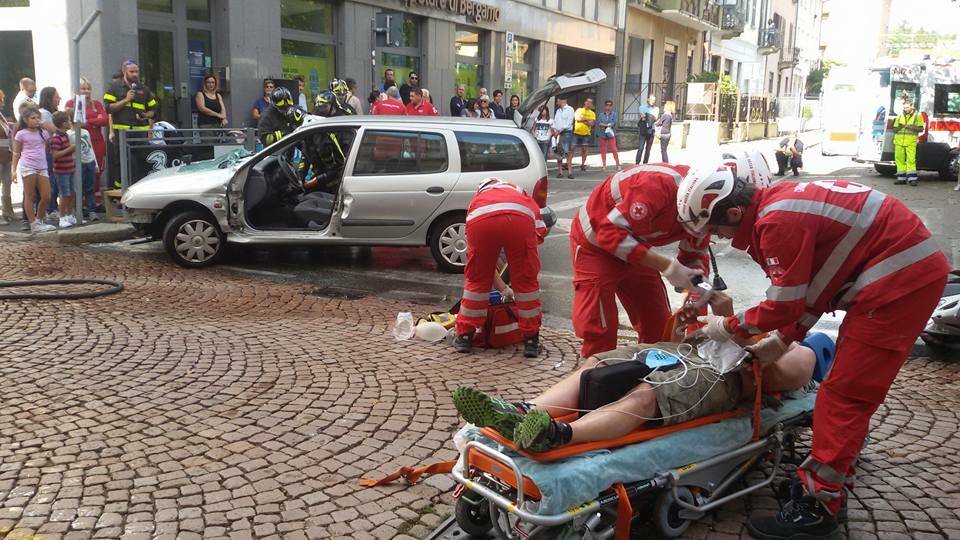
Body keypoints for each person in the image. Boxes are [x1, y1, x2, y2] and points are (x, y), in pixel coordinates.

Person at [677, 168, 950, 540]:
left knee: (843, 396)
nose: (718, 238)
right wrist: (780, 342)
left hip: (897, 284)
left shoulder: (778, 221)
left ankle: (819, 507)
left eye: (715, 228)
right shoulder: (782, 206)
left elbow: (786, 305)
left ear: (734, 213)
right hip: (896, 275)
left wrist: (727, 328)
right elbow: (815, 290)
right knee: (844, 392)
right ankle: (830, 477)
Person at [451, 291, 818, 451]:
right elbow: (681, 341)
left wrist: (741, 331)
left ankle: (559, 435)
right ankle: (523, 411)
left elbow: (769, 374)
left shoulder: (804, 352)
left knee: (650, 394)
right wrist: (694, 323)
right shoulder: (765, 320)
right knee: (600, 364)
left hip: (722, 376)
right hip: (682, 352)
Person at [453, 178, 547, 358]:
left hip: (481, 222)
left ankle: (465, 337)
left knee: (476, 282)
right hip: (520, 220)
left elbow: (481, 255)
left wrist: (498, 280)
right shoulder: (521, 194)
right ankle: (531, 341)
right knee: (527, 285)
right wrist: (521, 262)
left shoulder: (478, 199)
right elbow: (539, 231)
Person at [104, 60, 158, 189]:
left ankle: (139, 189)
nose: (135, 74)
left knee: (141, 162)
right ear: (124, 71)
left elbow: (154, 110)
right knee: (122, 163)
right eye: (132, 71)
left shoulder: (144, 89)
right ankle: (119, 193)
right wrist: (126, 100)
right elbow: (108, 108)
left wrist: (146, 115)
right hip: (122, 134)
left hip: (140, 134)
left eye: (137, 71)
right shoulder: (114, 88)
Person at [65, 77, 109, 211]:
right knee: (80, 171)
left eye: (88, 88)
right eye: (83, 88)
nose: (86, 91)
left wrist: (87, 122)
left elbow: (105, 120)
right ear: (76, 90)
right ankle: (81, 203)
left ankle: (95, 202)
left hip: (97, 141)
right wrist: (95, 120)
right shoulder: (71, 103)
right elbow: (73, 121)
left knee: (96, 172)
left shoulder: (97, 103)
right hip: (80, 142)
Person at [11, 108, 55, 232]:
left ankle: (39, 220)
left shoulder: (43, 133)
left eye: (38, 118)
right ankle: (33, 223)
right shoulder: (21, 134)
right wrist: (13, 170)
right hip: (27, 165)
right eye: (33, 118)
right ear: (25, 120)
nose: (37, 120)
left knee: (46, 196)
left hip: (42, 166)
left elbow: (47, 147)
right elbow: (16, 153)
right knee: (30, 195)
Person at [67, 111, 99, 221]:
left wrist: (95, 163)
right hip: (77, 163)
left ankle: (92, 211)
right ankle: (78, 210)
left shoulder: (85, 132)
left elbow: (90, 147)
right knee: (77, 188)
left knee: (90, 187)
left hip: (89, 161)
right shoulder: (69, 134)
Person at [48, 111, 77, 228]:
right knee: (64, 194)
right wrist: (70, 148)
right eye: (69, 120)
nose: (71, 122)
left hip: (70, 168)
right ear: (64, 123)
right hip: (61, 171)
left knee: (71, 192)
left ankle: (70, 214)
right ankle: (62, 217)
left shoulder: (66, 135)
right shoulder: (56, 138)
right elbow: (55, 155)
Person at [37, 87, 60, 216]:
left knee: (54, 179)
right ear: (49, 98)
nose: (59, 99)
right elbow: (54, 129)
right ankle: (51, 208)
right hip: (48, 151)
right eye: (56, 97)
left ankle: (53, 206)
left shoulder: (51, 112)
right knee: (51, 179)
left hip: (53, 149)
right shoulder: (44, 113)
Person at [892, 100, 925, 186]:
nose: (905, 109)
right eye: (904, 108)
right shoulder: (899, 115)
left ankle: (912, 179)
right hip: (899, 142)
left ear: (912, 107)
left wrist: (910, 127)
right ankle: (901, 178)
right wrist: (900, 126)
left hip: (911, 141)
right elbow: (895, 130)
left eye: (907, 107)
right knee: (899, 160)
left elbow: (921, 129)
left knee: (911, 160)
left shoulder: (917, 116)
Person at [0, 91, 14, 225]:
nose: (3, 103)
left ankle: (8, 211)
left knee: (7, 183)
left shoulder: (1, 115)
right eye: (1, 100)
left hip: (6, 154)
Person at [553, 96, 575, 178]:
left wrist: (559, 131)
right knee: (559, 151)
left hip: (566, 132)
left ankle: (570, 172)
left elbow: (569, 123)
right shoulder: (558, 111)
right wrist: (555, 131)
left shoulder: (570, 109)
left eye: (557, 101)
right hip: (558, 133)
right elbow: (555, 121)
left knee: (567, 152)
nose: (556, 102)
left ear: (560, 100)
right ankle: (560, 172)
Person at [573, 97, 596, 172]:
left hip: (586, 133)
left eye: (590, 102)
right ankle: (568, 163)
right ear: (585, 102)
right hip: (576, 132)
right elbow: (577, 118)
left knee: (584, 149)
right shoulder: (579, 110)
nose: (589, 103)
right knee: (572, 148)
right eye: (588, 102)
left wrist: (583, 119)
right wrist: (587, 120)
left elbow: (592, 124)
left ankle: (583, 164)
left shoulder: (592, 113)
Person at [596, 99, 620, 171]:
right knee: (603, 149)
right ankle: (604, 165)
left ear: (611, 106)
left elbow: (614, 122)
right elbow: (599, 123)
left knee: (614, 149)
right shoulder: (601, 114)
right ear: (605, 106)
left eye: (610, 105)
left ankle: (618, 164)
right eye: (607, 105)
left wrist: (605, 125)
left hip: (611, 133)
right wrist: (607, 125)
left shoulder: (614, 114)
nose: (608, 107)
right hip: (602, 134)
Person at [636, 94, 659, 164]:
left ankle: (645, 163)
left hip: (651, 130)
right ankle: (637, 162)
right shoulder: (642, 107)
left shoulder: (656, 109)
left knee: (648, 149)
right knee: (641, 148)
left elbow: (655, 118)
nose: (653, 101)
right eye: (651, 100)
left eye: (654, 100)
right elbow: (642, 116)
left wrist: (647, 116)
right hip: (643, 130)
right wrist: (648, 116)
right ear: (648, 99)